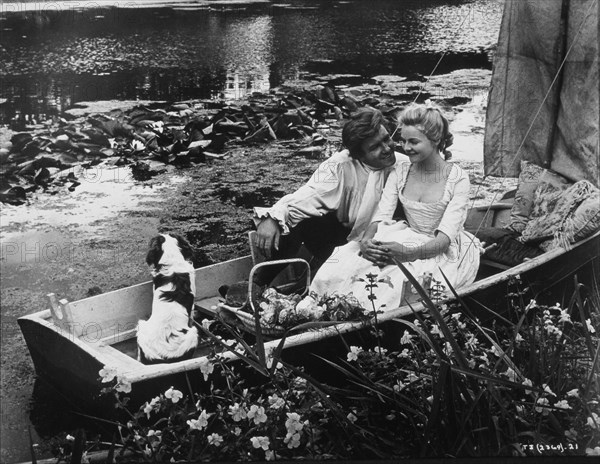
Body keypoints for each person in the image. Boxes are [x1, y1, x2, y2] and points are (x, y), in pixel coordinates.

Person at [309, 102, 482, 310]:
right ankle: (325, 308)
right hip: (406, 235)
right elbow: (380, 217)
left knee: (391, 282)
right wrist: (366, 241)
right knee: (348, 262)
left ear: (435, 139)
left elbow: (443, 241)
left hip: (439, 249)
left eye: (413, 142)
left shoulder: (457, 178)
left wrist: (408, 253)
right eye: (403, 141)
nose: (405, 148)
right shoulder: (400, 172)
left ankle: (366, 318)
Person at [252, 107, 398, 284]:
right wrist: (273, 217)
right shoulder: (339, 165)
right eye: (375, 147)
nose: (387, 148)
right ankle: (257, 285)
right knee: (295, 220)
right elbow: (308, 194)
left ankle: (307, 282)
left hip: (381, 244)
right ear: (358, 154)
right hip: (342, 240)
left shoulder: (404, 164)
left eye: (387, 138)